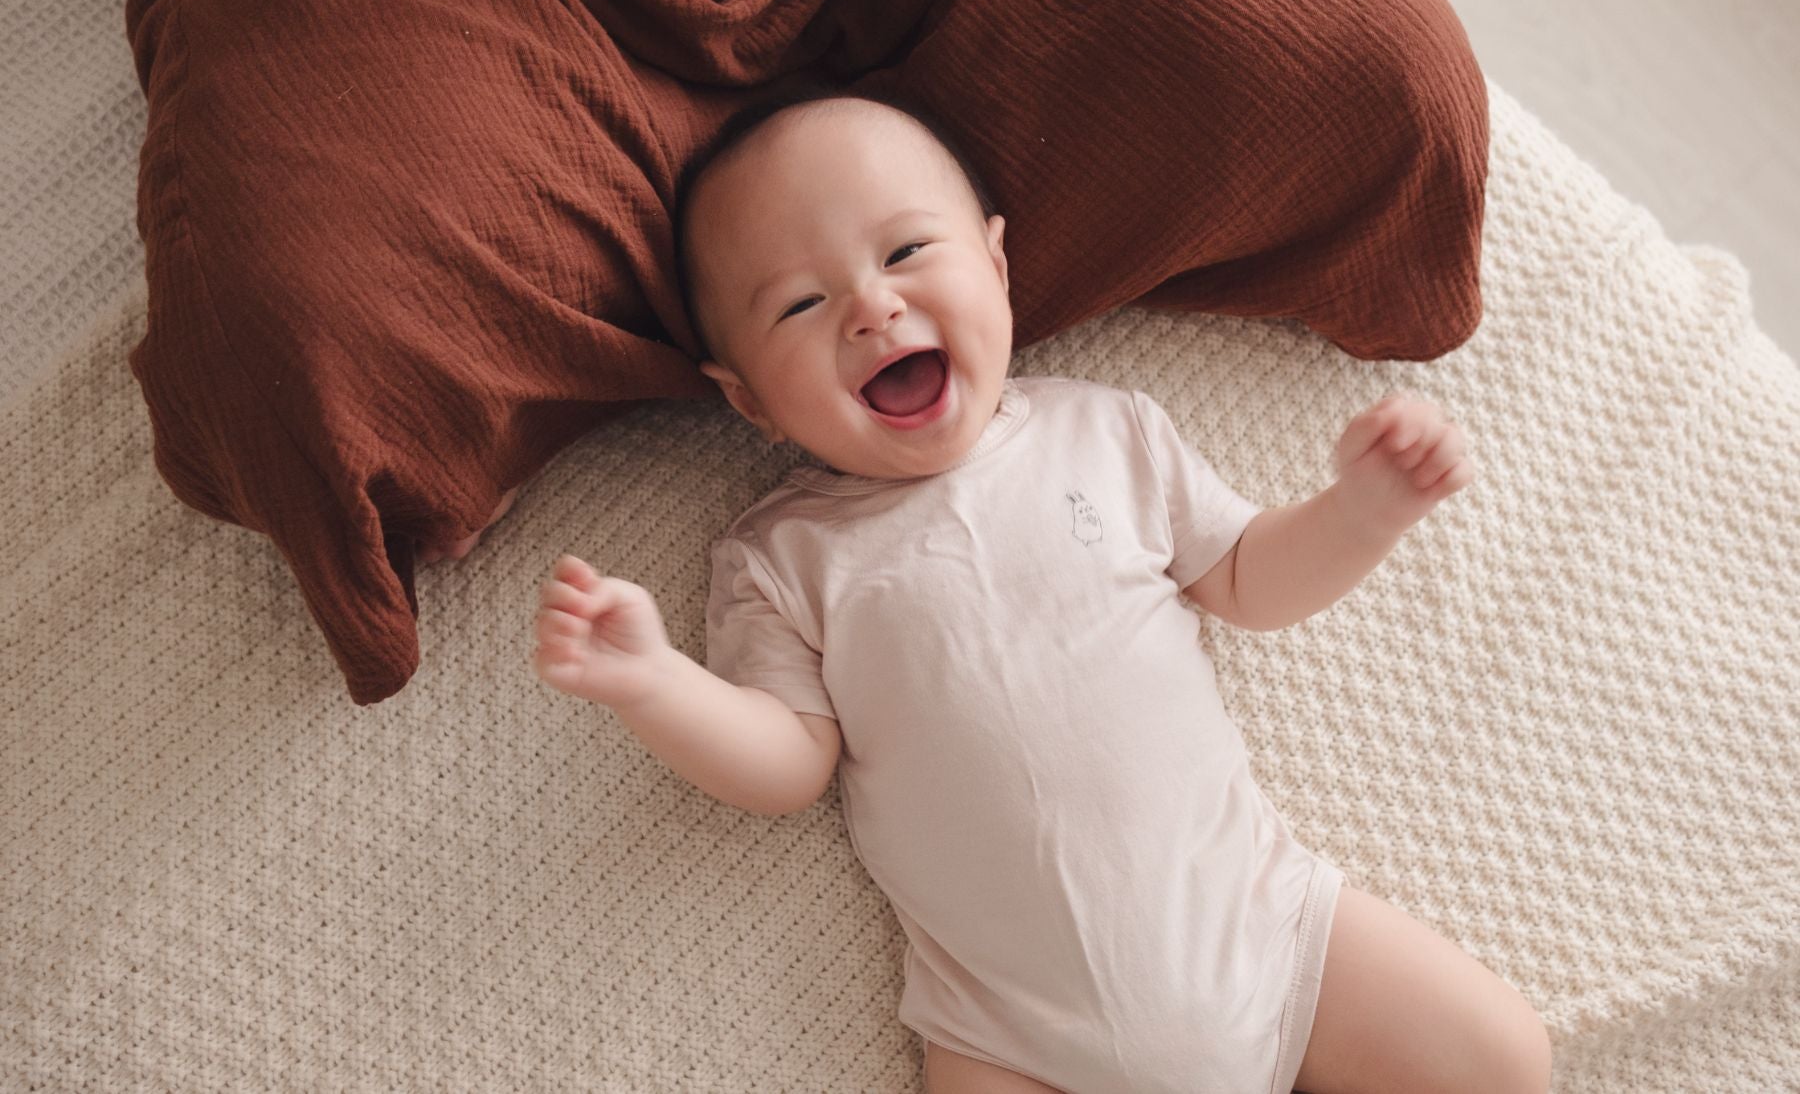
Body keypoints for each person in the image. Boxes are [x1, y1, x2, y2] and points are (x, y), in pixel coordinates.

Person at [528, 93, 1550, 1094]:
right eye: (801, 303)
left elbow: (1249, 576)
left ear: (998, 265)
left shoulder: (1105, 434)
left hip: (1268, 936)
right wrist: (654, 683)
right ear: (750, 400)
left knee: (1500, 1056)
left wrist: (1364, 509)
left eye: (908, 253)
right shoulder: (784, 557)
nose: (872, 307)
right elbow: (785, 762)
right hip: (1012, 1036)